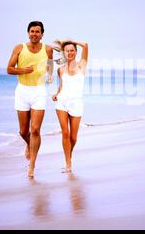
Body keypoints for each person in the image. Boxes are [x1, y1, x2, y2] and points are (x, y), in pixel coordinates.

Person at [7, 21, 53, 178]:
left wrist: (50, 74)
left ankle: (32, 165)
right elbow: (9, 69)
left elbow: (50, 63)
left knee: (35, 130)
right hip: (22, 91)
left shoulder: (47, 49)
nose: (34, 34)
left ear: (42, 34)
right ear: (28, 33)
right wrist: (24, 70)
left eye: (37, 31)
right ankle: (29, 145)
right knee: (23, 131)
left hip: (39, 91)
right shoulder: (19, 48)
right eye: (32, 31)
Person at [52, 39, 88, 173]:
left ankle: (69, 156)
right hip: (62, 102)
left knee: (73, 137)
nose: (70, 52)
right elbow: (61, 86)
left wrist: (70, 41)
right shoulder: (60, 69)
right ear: (64, 53)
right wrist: (56, 94)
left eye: (72, 50)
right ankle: (68, 164)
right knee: (65, 133)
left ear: (76, 52)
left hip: (77, 103)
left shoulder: (82, 66)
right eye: (67, 51)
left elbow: (85, 45)